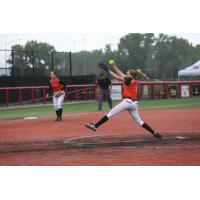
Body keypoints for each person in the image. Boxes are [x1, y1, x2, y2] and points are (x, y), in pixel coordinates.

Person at [85, 60, 162, 139]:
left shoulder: (129, 80)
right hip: (134, 104)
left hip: (127, 102)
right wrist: (114, 66)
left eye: (128, 74)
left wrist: (108, 70)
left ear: (132, 76)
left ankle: (95, 126)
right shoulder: (132, 80)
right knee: (140, 122)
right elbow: (121, 73)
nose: (126, 74)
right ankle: (154, 132)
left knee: (110, 113)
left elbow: (117, 77)